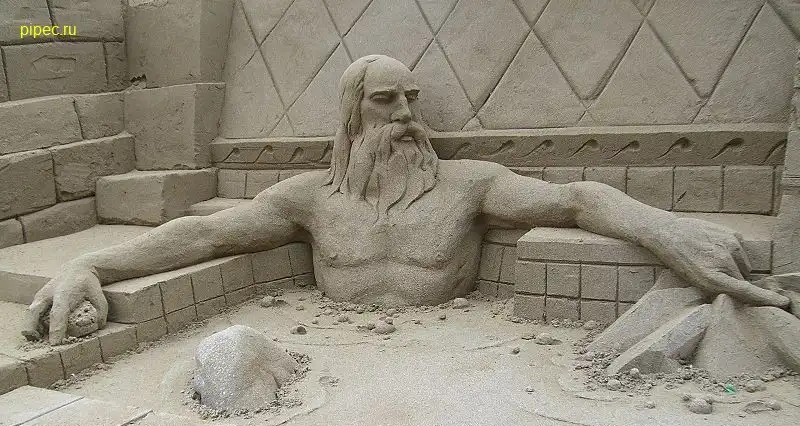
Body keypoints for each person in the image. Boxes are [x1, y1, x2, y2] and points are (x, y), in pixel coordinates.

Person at [24, 55, 788, 344]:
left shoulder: (469, 184)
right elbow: (207, 238)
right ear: (352, 114)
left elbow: (577, 199)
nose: (407, 117)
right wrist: (93, 263)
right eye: (386, 101)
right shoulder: (309, 198)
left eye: (412, 100)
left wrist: (665, 227)